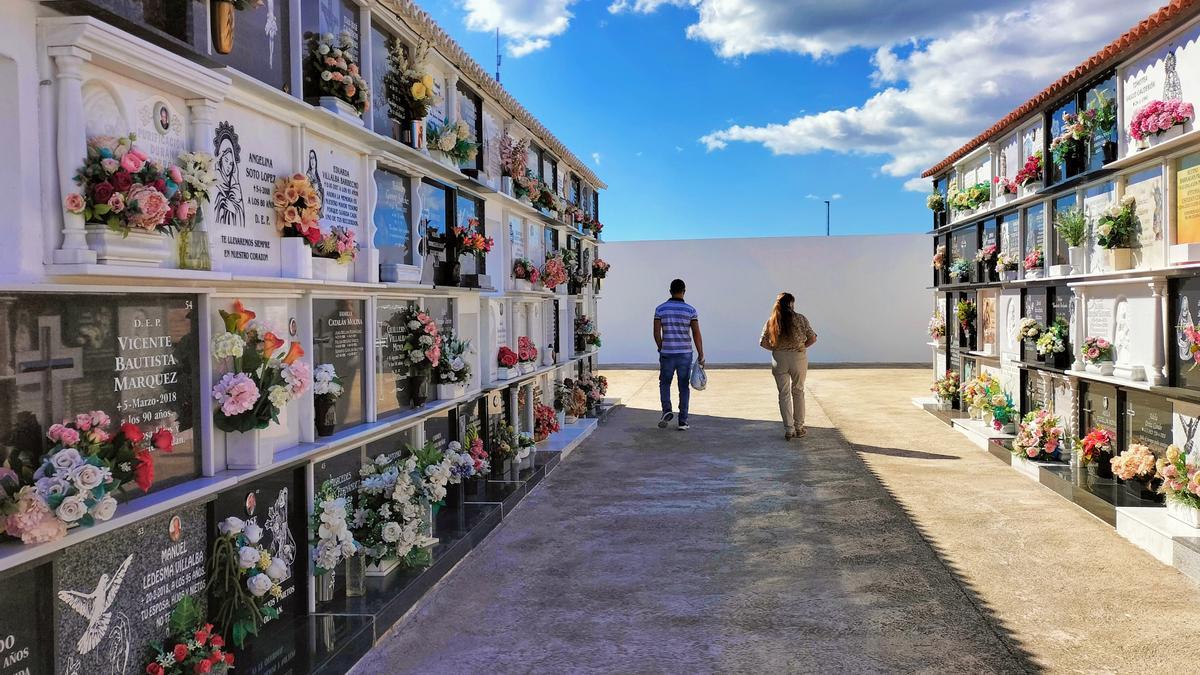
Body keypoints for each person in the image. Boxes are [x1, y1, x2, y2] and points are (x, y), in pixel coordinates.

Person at [760, 292, 817, 440]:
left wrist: (776, 349)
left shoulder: (771, 321)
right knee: (798, 391)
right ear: (791, 303)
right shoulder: (800, 319)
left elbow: (762, 342)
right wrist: (802, 347)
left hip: (779, 359)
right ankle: (799, 427)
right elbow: (813, 337)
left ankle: (789, 429)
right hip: (798, 357)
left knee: (783, 394)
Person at [653, 279, 704, 430]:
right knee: (683, 386)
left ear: (670, 291)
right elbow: (696, 333)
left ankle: (667, 410)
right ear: (684, 291)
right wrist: (701, 354)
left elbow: (656, 332)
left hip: (667, 353)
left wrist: (661, 347)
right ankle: (683, 421)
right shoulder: (690, 310)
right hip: (685, 354)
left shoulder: (660, 309)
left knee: (664, 382)